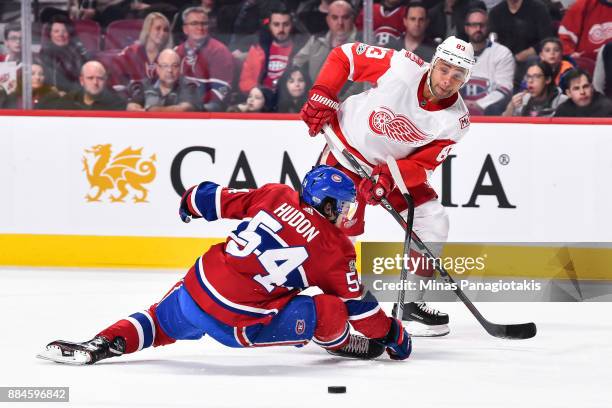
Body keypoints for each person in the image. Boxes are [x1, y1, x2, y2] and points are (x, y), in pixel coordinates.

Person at [37, 166, 411, 365]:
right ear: (327, 204)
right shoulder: (336, 249)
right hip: (237, 323)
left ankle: (103, 342)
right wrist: (394, 336)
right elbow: (361, 312)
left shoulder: (275, 194)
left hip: (198, 286)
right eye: (343, 207)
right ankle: (341, 345)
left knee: (157, 321)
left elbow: (209, 197)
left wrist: (189, 204)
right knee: (331, 309)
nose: (348, 215)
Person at [299, 36, 476, 337]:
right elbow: (345, 57)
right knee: (337, 233)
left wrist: (389, 178)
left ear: (466, 79)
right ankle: (330, 303)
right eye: (444, 69)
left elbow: (422, 165)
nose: (448, 80)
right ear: (434, 63)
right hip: (347, 153)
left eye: (458, 75)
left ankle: (410, 305)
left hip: (391, 170)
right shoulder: (403, 66)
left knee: (432, 220)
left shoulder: (456, 121)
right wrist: (323, 93)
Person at [175, 6, 234, 112]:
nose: (200, 28)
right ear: (185, 29)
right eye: (194, 23)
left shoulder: (219, 51)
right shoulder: (177, 52)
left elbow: (221, 90)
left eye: (204, 23)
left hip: (208, 108)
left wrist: (197, 109)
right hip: (180, 105)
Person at [460, 7, 514, 116]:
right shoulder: (454, 53)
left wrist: (479, 104)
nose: (478, 29)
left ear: (488, 27)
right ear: (466, 28)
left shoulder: (502, 53)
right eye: (474, 25)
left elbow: (505, 88)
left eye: (482, 25)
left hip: (489, 114)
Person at [239, 7, 305, 94]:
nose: (281, 29)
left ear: (292, 25)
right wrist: (261, 92)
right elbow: (244, 82)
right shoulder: (257, 49)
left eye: (286, 24)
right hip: (261, 100)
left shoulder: (302, 50)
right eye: (276, 24)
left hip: (289, 100)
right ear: (269, 25)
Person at [488, 0, 554, 88]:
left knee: (532, 61)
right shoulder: (495, 12)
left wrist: (526, 53)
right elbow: (492, 41)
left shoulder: (538, 9)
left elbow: (547, 39)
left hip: (532, 59)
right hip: (505, 61)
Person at [293, 1, 358, 86]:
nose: (340, 23)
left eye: (345, 17)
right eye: (335, 18)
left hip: (350, 98)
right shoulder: (315, 41)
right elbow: (296, 63)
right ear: (328, 20)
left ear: (352, 18)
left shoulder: (364, 43)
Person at [113, 12, 173, 89]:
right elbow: (117, 75)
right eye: (158, 28)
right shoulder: (131, 52)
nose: (162, 33)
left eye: (166, 30)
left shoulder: (169, 56)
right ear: (148, 29)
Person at [127, 49, 198, 112]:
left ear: (179, 69)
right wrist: (139, 111)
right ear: (158, 69)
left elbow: (185, 109)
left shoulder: (189, 85)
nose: (170, 70)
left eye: (174, 66)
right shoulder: (146, 85)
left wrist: (153, 111)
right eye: (165, 66)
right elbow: (131, 106)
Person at [41, 61, 127, 110]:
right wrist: (53, 95)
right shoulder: (70, 99)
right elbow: (40, 109)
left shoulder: (117, 105)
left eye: (100, 78)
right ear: (82, 81)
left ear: (105, 80)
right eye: (90, 78)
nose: (95, 82)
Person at [38, 15, 91, 94]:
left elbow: (85, 80)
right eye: (56, 31)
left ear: (70, 34)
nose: (61, 35)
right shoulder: (44, 54)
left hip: (75, 96)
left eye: (64, 31)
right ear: (50, 34)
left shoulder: (79, 53)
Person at [502, 60, 567, 117]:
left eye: (536, 76)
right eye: (528, 76)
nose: (530, 81)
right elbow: (503, 126)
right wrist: (511, 107)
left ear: (548, 79)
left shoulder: (563, 102)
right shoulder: (522, 100)